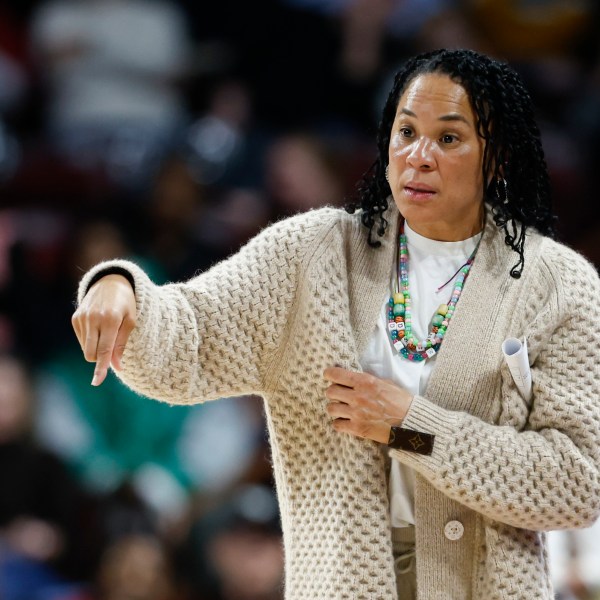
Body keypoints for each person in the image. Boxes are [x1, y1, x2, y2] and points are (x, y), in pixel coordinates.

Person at [71, 48, 600, 599]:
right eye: (405, 131)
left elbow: (575, 483)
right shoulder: (313, 255)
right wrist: (121, 288)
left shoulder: (557, 283)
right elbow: (190, 337)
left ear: (498, 156)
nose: (418, 156)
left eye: (448, 138)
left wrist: (410, 428)